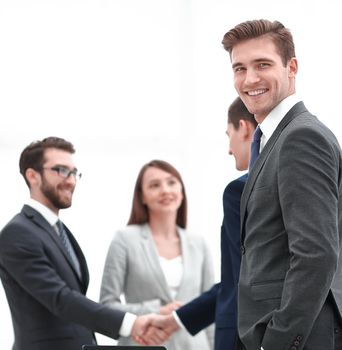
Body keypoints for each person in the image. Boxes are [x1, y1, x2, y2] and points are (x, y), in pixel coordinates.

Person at [221, 19, 342, 350]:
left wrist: (278, 340)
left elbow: (316, 253)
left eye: (263, 64)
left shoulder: (301, 137)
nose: (250, 79)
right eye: (239, 68)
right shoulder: (272, 140)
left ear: (292, 67)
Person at [0, 137, 167, 350]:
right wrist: (130, 323)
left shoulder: (58, 231)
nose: (71, 180)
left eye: (73, 172)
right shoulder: (18, 233)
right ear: (32, 175)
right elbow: (60, 298)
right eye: (61, 170)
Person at [146, 97, 257, 350]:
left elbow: (242, 281)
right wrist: (178, 319)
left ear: (244, 128)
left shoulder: (239, 192)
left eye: (228, 134)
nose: (229, 148)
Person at [99, 159, 215, 350]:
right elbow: (107, 306)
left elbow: (212, 309)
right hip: (143, 344)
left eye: (171, 182)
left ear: (182, 191)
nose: (165, 190)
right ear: (142, 196)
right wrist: (157, 310)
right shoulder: (125, 239)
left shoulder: (199, 243)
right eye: (154, 185)